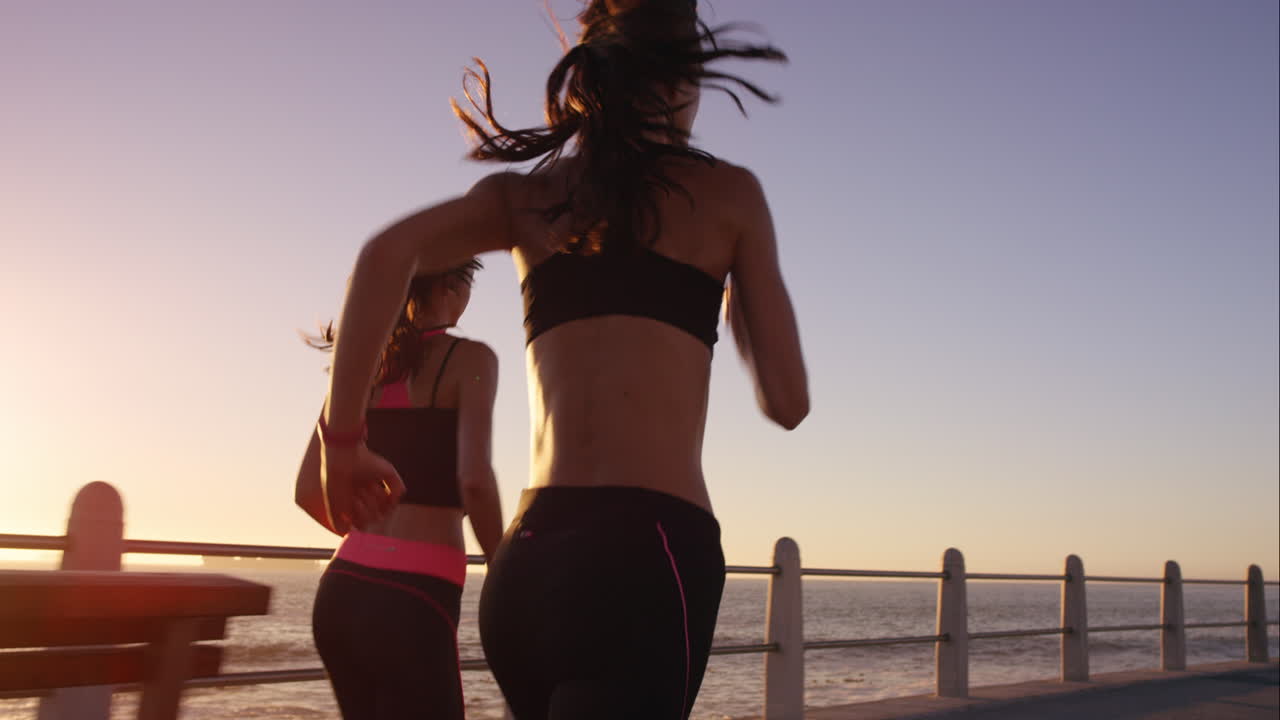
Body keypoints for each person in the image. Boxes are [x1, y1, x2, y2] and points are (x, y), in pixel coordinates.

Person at [316, 0, 807, 717]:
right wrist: (736, 305)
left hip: (530, 560)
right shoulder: (729, 196)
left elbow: (385, 254)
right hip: (648, 556)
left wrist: (343, 441)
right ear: (682, 80)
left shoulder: (531, 197)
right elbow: (787, 402)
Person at [295, 259, 503, 720]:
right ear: (453, 285)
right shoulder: (470, 360)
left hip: (342, 589)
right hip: (416, 598)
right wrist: (506, 573)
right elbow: (475, 481)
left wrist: (368, 530)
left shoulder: (361, 369)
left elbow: (309, 489)